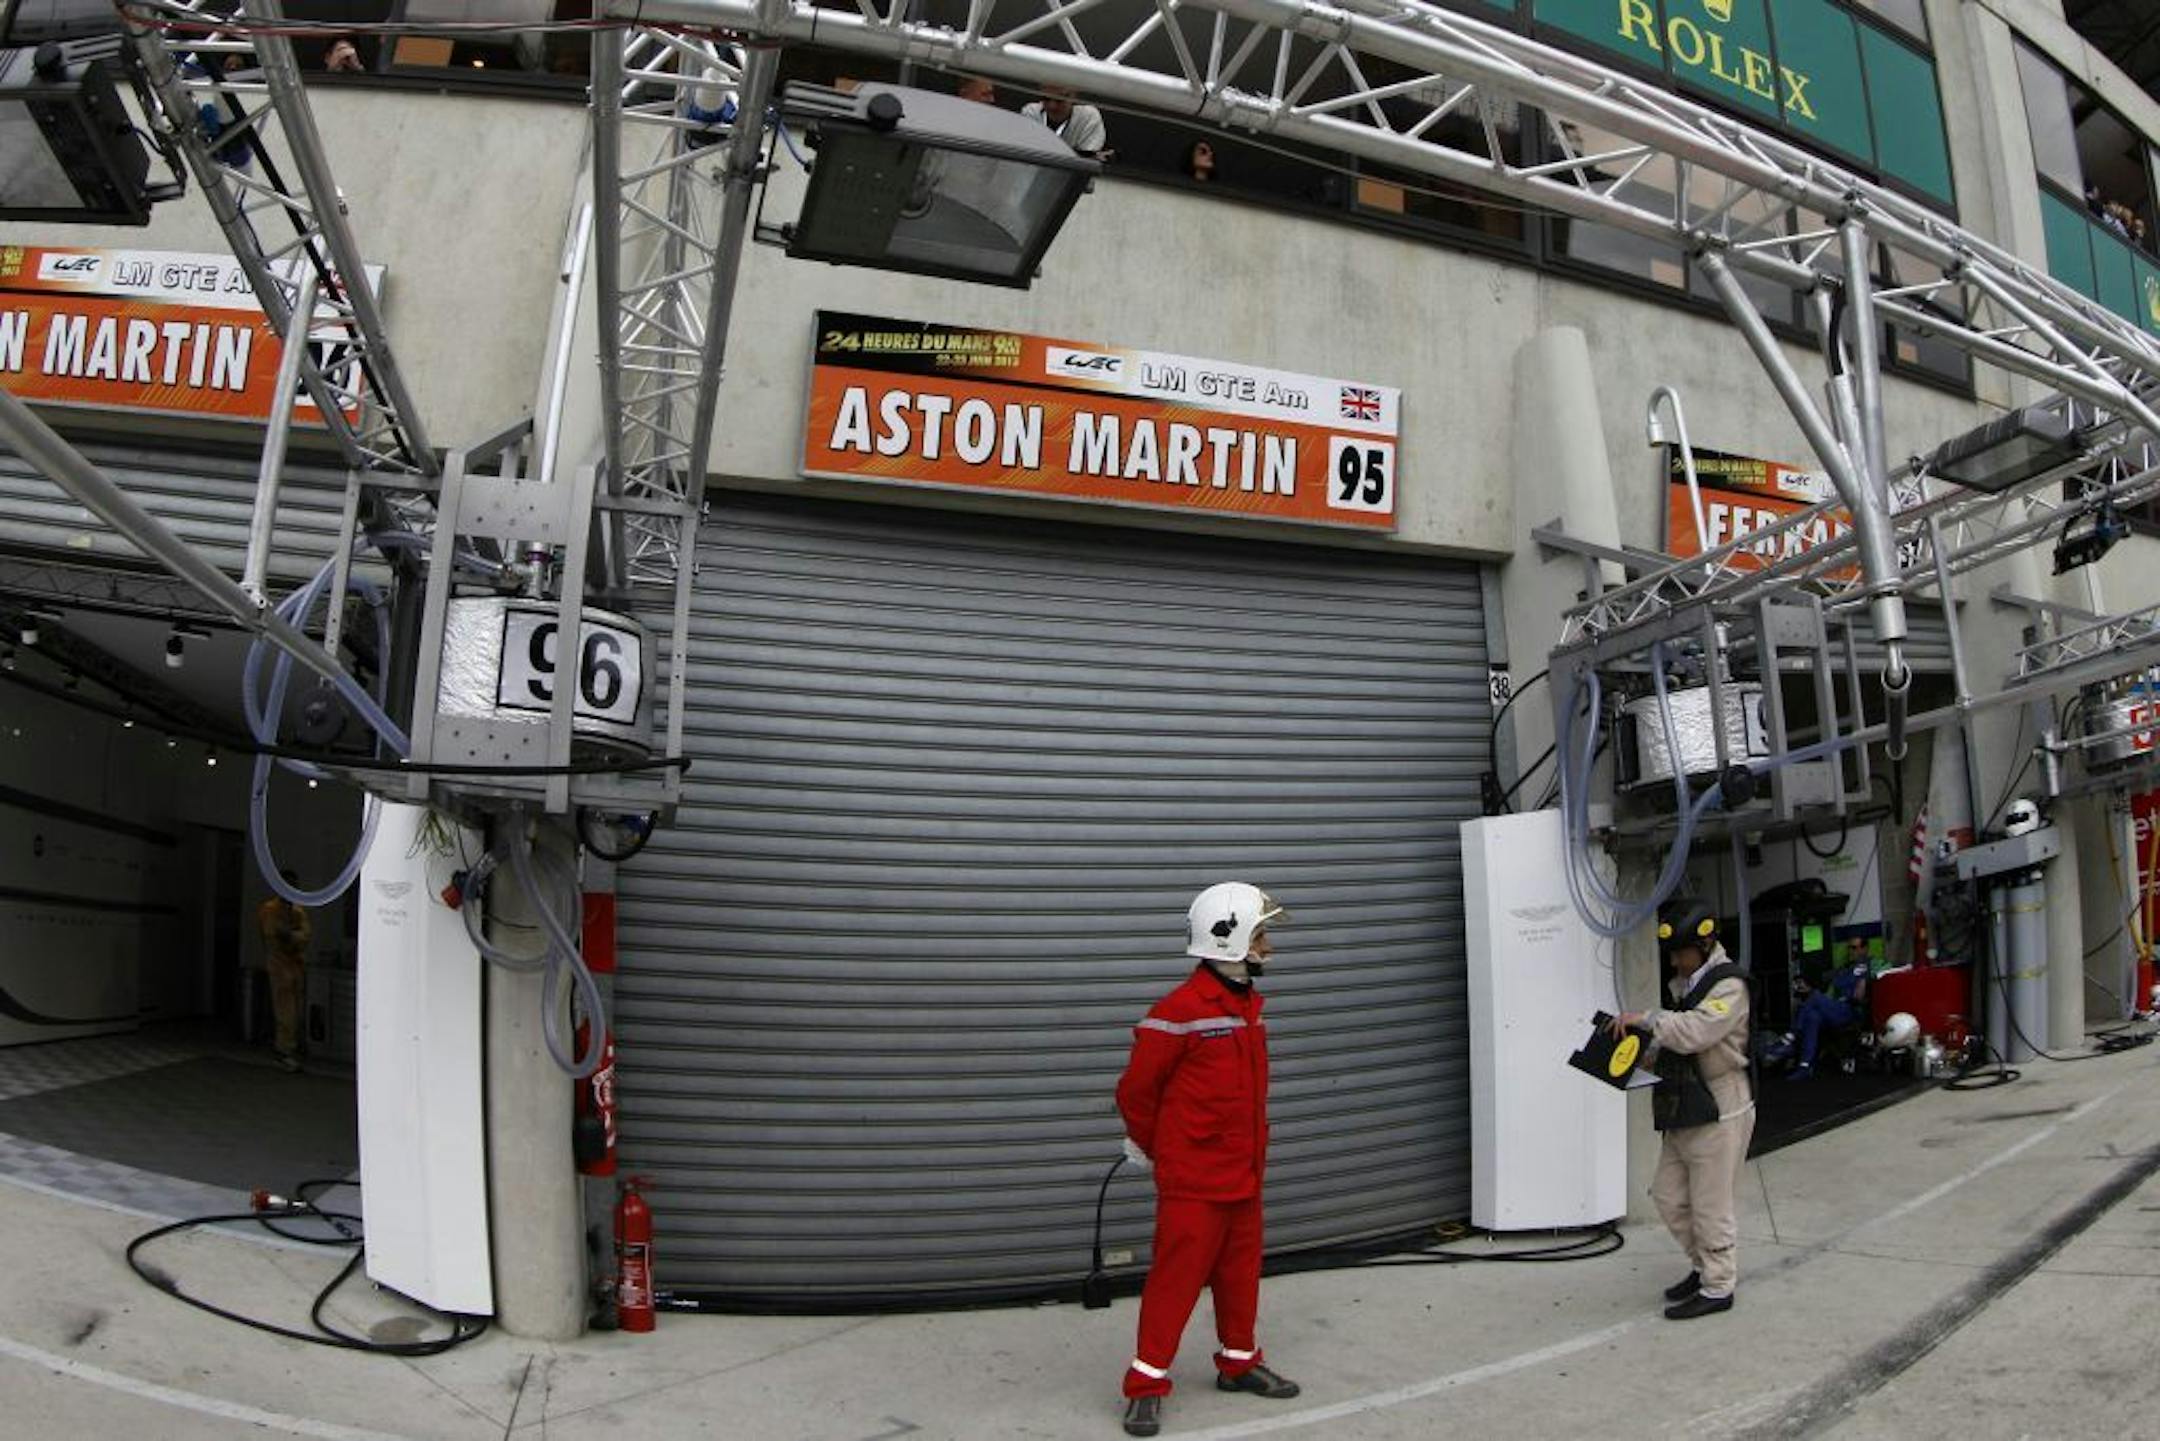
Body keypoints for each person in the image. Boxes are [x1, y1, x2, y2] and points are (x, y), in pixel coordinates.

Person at [1114, 882, 1300, 1437]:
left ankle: (1239, 1362)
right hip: (1194, 1182)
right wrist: (1150, 1146)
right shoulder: (1178, 1013)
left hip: (1243, 1174)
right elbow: (1135, 1093)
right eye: (1261, 935)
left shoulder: (1247, 1009)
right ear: (1231, 939)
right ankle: (1145, 1385)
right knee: (1175, 1281)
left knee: (1240, 1275)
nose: (1268, 946)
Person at [1608, 896, 1753, 1321]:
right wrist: (1632, 1053)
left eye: (1681, 952)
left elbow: (1695, 1032)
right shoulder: (1686, 985)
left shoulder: (1730, 986)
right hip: (1685, 1105)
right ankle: (1701, 1264)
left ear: (1704, 946)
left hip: (1720, 1106)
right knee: (1669, 1197)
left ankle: (1718, 1284)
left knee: (1710, 1204)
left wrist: (1646, 1019)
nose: (1675, 961)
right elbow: (1674, 1044)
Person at [1788, 939, 1871, 1080]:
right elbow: (1827, 980)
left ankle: (1791, 1036)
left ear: (1864, 949)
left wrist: (1861, 984)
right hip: (1834, 1008)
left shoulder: (1864, 967)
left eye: (1855, 947)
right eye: (1850, 948)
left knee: (1813, 997)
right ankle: (1805, 1066)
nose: (1851, 951)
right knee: (1812, 1016)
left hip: (1849, 1009)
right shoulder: (1844, 968)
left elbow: (1859, 995)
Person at [257, 873, 311, 1072]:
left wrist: (291, 936)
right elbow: (275, 934)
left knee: (297, 1009)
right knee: (285, 1010)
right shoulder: (270, 910)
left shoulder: (298, 911)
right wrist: (291, 936)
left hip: (295, 965)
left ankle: (294, 1047)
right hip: (279, 966)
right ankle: (284, 1050)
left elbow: (304, 936)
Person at [1023, 85, 1108, 158]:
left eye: (1060, 100)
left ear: (1073, 96)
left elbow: (1088, 159)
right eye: (1046, 99)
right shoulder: (1031, 112)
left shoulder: (1089, 117)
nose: (1052, 106)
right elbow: (1025, 151)